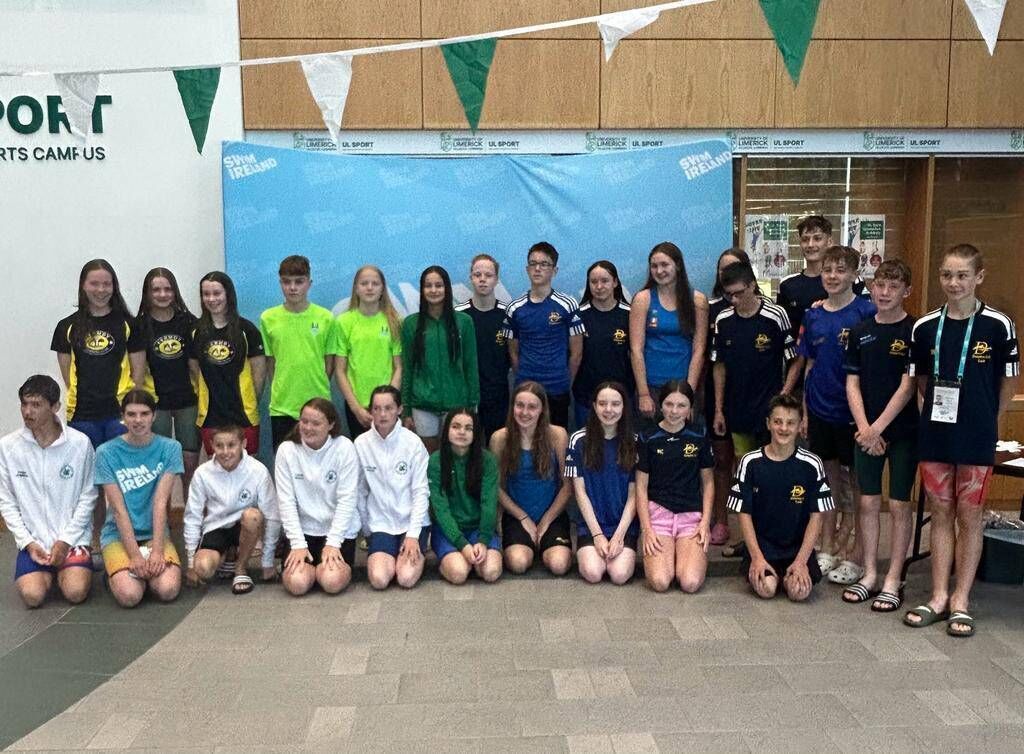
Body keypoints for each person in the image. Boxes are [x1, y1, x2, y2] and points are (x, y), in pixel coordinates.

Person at [905, 244, 1018, 638]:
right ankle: (937, 595)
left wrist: (990, 421)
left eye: (962, 276)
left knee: (970, 514)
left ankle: (961, 599)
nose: (953, 283)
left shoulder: (999, 326)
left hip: (977, 434)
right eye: (946, 275)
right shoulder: (924, 327)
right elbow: (921, 382)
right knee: (940, 509)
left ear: (979, 277)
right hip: (935, 431)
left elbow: (1007, 383)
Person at [796, 245, 875, 584]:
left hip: (854, 414)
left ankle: (855, 551)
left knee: (858, 483)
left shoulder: (867, 311)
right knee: (826, 480)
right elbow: (809, 363)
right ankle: (827, 545)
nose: (832, 276)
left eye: (840, 270)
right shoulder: (813, 315)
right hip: (820, 408)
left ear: (854, 275)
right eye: (827, 270)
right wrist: (804, 409)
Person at [842, 259, 918, 611]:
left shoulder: (915, 331)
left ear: (906, 291)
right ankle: (871, 572)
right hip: (864, 432)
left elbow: (908, 386)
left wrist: (878, 429)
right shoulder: (860, 331)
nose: (884, 293)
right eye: (879, 285)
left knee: (900, 505)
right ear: (871, 287)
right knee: (868, 502)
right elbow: (852, 382)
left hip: (901, 432)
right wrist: (864, 429)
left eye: (893, 287)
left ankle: (894, 577)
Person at [0, 375, 96, 608]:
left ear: (55, 407)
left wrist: (65, 540)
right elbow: (6, 501)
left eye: (36, 405)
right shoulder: (8, 446)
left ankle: (69, 570)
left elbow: (89, 496)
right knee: (33, 597)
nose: (28, 412)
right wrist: (28, 542)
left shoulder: (80, 444)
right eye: (24, 404)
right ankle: (45, 571)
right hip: (34, 543)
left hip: (72, 540)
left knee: (75, 592)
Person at [728, 393, 834, 601]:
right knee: (767, 589)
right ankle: (769, 573)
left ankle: (792, 574)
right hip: (763, 547)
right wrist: (757, 558)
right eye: (778, 422)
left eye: (790, 423)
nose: (783, 428)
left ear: (799, 426)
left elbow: (817, 516)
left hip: (797, 547)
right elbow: (744, 513)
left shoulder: (812, 464)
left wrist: (802, 561)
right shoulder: (750, 463)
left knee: (799, 593)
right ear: (768, 424)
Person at [95, 390, 183, 608]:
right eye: (131, 414)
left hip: (154, 533)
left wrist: (158, 551)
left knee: (168, 590)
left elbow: (160, 503)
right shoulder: (106, 452)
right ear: (123, 417)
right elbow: (118, 510)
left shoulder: (170, 448)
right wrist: (134, 556)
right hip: (118, 535)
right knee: (130, 596)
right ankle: (116, 576)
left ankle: (145, 574)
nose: (138, 420)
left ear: (154, 416)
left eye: (144, 414)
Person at [51, 259, 145, 448]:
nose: (101, 290)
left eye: (106, 284)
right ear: (83, 286)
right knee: (87, 473)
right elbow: (67, 375)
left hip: (119, 414)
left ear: (114, 287)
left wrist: (132, 409)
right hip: (81, 414)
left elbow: (139, 374)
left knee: (120, 473)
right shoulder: (66, 327)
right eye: (94, 284)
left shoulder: (130, 325)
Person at [275, 398, 360, 596]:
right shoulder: (287, 451)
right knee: (297, 584)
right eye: (304, 421)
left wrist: (333, 543)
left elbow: (347, 500)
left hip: (338, 533)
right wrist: (297, 544)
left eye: (316, 423)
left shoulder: (344, 448)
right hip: (303, 532)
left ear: (331, 425)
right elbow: (286, 502)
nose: (308, 428)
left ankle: (322, 570)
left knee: (331, 582)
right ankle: (310, 570)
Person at [712, 261, 797, 459]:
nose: (733, 299)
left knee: (773, 462)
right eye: (728, 294)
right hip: (737, 408)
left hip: (769, 408)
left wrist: (784, 394)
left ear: (751, 285)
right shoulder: (723, 320)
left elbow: (795, 359)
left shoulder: (776, 315)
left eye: (738, 293)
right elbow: (719, 366)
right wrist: (718, 409)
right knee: (743, 462)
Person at [635, 380, 714, 593]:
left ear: (690, 408)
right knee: (660, 582)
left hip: (690, 516)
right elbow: (641, 487)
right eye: (669, 404)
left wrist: (705, 522)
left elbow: (708, 482)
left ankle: (684, 553)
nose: (674, 411)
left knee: (690, 583)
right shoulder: (647, 437)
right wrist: (647, 529)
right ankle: (668, 553)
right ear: (661, 406)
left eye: (681, 405)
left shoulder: (699, 434)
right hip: (658, 515)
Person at [184, 425, 280, 595]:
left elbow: (272, 516)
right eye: (219, 446)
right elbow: (192, 517)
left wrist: (267, 562)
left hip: (245, 526)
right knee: (203, 568)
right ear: (212, 445)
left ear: (243, 444)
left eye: (231, 445)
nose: (225, 451)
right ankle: (227, 557)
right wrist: (191, 563)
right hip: (216, 527)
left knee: (253, 516)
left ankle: (240, 568)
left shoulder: (258, 471)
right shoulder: (202, 473)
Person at [490, 381, 572, 575]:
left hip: (551, 513)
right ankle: (527, 545)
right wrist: (522, 517)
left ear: (542, 410)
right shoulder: (500, 438)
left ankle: (545, 545)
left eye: (532, 407)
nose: (525, 412)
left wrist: (546, 521)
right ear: (513, 408)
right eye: (520, 405)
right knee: (518, 564)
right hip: (517, 514)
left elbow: (567, 486)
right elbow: (496, 486)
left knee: (559, 565)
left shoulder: (557, 435)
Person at [355, 385, 431, 589]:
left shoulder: (413, 443)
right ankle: (392, 554)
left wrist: (413, 535)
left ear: (399, 409)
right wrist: (367, 529)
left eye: (388, 408)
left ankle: (421, 546)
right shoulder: (361, 444)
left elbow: (421, 491)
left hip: (412, 523)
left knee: (405, 578)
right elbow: (360, 492)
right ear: (371, 411)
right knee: (379, 580)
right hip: (381, 524)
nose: (382, 414)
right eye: (377, 409)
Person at [259, 255, 338, 450]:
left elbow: (329, 363)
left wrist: (315, 384)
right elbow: (270, 363)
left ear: (309, 283)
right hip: (282, 406)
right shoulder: (268, 318)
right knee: (286, 464)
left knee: (320, 466)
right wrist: (282, 386)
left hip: (318, 403)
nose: (293, 287)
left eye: (299, 282)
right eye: (287, 282)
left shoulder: (326, 318)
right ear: (280, 283)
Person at [502, 242, 585, 429]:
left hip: (557, 388)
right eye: (533, 263)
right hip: (525, 390)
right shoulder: (514, 308)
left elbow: (576, 353)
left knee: (556, 442)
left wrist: (565, 381)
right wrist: (524, 378)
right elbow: (513, 354)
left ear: (554, 270)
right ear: (526, 269)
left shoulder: (567, 304)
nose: (537, 268)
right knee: (525, 441)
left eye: (544, 264)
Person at [565, 382, 638, 585]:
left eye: (615, 404)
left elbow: (635, 496)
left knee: (619, 575)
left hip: (623, 526)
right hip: (591, 525)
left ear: (624, 407)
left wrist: (619, 535)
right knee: (593, 573)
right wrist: (597, 535)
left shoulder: (635, 442)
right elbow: (579, 493)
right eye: (603, 403)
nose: (609, 410)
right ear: (594, 406)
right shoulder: (578, 440)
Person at [401, 266, 479, 452]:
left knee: (455, 456)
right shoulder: (411, 324)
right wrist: (407, 409)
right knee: (428, 459)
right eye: (428, 286)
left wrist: (472, 405)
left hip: (457, 404)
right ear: (421, 290)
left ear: (447, 288)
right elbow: (408, 368)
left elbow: (471, 365)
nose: (433, 290)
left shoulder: (464, 322)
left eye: (439, 285)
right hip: (422, 406)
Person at [705, 248, 753, 549]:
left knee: (753, 467)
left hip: (758, 402)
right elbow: (713, 361)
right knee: (721, 462)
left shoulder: (770, 312)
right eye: (724, 271)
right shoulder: (714, 312)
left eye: (734, 269)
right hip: (719, 400)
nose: (729, 275)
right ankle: (720, 521)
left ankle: (755, 532)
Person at [629, 242, 709, 422]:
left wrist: (688, 395)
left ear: (678, 266)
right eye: (654, 266)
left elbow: (699, 350)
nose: (659, 271)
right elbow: (636, 349)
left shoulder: (698, 300)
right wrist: (643, 394)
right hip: (651, 389)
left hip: (684, 387)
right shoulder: (643, 299)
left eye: (665, 265)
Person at [189, 272, 266, 455]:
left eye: (217, 293)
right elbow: (194, 370)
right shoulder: (195, 332)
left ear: (228, 295)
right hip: (210, 416)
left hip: (244, 415)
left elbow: (259, 375)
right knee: (215, 471)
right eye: (206, 294)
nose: (211, 299)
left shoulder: (247, 330)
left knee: (249, 470)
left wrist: (249, 400)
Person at [137, 267, 200, 490]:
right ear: (147, 293)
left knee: (190, 465)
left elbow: (196, 367)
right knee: (158, 467)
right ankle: (160, 524)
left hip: (188, 401)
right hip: (156, 404)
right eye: (156, 290)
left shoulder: (189, 323)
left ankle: (191, 522)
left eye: (168, 289)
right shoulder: (139, 326)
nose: (162, 294)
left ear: (175, 292)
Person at [429, 408, 502, 584]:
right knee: (459, 574)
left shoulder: (488, 460)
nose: (462, 432)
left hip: (479, 528)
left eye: (468, 428)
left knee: (491, 572)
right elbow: (441, 509)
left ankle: (474, 561)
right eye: (456, 426)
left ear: (475, 433)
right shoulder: (436, 461)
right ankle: (451, 563)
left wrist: (483, 540)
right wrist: (462, 544)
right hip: (449, 531)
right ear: (447, 430)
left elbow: (489, 503)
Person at [336, 265, 403, 439]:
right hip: (358, 407)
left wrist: (388, 404)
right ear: (356, 289)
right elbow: (340, 371)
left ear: (382, 289)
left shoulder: (393, 321)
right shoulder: (344, 322)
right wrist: (356, 408)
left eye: (375, 283)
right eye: (364, 283)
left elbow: (399, 368)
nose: (370, 287)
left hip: (387, 407)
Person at [455, 254, 511, 443]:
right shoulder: (459, 316)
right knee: (469, 450)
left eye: (488, 275)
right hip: (466, 396)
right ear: (471, 278)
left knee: (499, 448)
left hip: (499, 396)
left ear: (496, 279)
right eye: (477, 274)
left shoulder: (508, 315)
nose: (482, 279)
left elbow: (515, 356)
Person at [573, 261, 634, 428]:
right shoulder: (578, 316)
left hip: (622, 397)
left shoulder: (630, 315)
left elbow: (637, 354)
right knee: (586, 447)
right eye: (593, 282)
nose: (599, 286)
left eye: (605, 281)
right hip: (586, 396)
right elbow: (573, 356)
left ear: (615, 282)